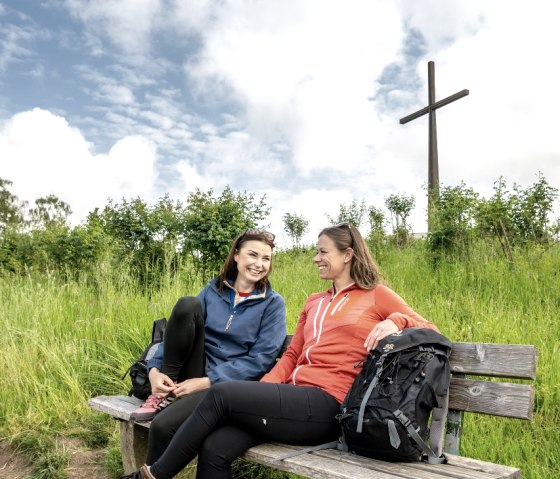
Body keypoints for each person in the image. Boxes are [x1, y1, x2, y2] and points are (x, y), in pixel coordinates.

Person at [123, 223, 439, 479]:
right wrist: (256, 394)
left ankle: (151, 476)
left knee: (224, 395)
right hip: (291, 398)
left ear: (348, 255)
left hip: (328, 405)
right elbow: (291, 356)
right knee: (215, 447)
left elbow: (430, 329)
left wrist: (395, 321)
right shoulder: (315, 301)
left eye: (323, 252)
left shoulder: (376, 295)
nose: (316, 258)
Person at [125, 229, 287, 469]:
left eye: (266, 258)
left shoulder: (272, 304)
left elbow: (260, 361)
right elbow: (176, 332)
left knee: (162, 426)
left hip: (223, 387)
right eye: (252, 255)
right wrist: (154, 370)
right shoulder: (214, 290)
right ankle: (159, 392)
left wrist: (207, 381)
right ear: (236, 255)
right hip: (191, 369)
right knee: (186, 304)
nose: (259, 264)